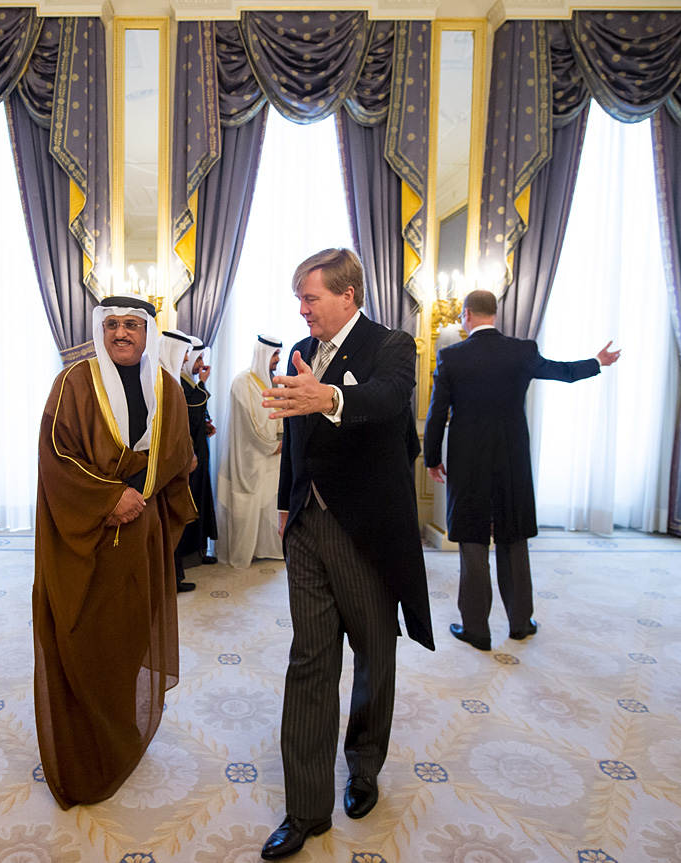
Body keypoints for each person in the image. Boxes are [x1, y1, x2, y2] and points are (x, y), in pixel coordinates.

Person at [259, 248, 434, 859]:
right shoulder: (297, 352)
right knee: (309, 660)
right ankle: (306, 810)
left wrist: (329, 398)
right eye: (299, 300)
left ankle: (363, 765)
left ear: (347, 295)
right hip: (307, 524)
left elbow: (388, 400)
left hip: (366, 529)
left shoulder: (393, 346)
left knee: (373, 653)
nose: (302, 310)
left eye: (310, 298)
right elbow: (294, 433)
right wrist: (286, 505)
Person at [32, 295, 197, 809]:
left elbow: (179, 454)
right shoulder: (73, 383)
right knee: (81, 634)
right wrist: (110, 497)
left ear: (148, 333)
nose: (121, 334)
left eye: (131, 325)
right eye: (111, 325)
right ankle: (84, 752)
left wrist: (145, 489)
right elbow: (55, 456)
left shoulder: (167, 387)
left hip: (141, 533)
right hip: (86, 534)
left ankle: (119, 736)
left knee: (128, 636)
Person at [423, 289, 622, 651]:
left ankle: (476, 629)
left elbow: (437, 412)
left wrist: (432, 457)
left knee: (473, 541)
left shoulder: (452, 356)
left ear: (467, 315)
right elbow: (563, 372)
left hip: (468, 461)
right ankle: (520, 623)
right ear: (495, 315)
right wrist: (597, 361)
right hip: (511, 459)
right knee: (513, 537)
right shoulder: (523, 351)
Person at [217, 334, 285, 569]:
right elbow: (252, 423)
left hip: (272, 455)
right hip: (247, 456)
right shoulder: (242, 382)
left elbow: (280, 412)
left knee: (269, 504)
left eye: (278, 354)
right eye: (274, 355)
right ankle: (244, 553)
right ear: (263, 354)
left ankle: (266, 548)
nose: (277, 360)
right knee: (246, 505)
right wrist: (273, 444)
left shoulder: (275, 382)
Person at [159, 330, 200, 592]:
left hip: (176, 463)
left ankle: (173, 578)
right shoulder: (160, 381)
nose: (186, 358)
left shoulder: (170, 379)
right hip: (165, 467)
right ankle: (169, 581)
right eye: (184, 352)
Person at [178, 336, 218, 570]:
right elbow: (190, 415)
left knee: (200, 498)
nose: (201, 363)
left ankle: (200, 550)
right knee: (190, 501)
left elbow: (196, 418)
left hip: (199, 451)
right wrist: (202, 384)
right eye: (198, 358)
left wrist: (205, 425)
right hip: (188, 457)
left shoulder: (188, 383)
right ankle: (187, 555)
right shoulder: (180, 383)